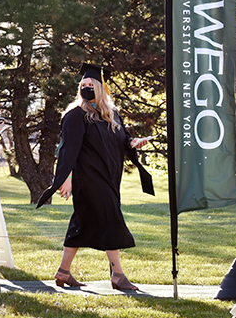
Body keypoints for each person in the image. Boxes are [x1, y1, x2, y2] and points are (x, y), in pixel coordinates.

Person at [37, 63, 154, 291]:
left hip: (109, 177)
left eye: (91, 85)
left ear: (101, 88)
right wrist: (67, 177)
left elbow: (124, 140)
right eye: (83, 85)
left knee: (83, 222)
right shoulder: (75, 115)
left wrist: (133, 143)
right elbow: (67, 149)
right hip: (88, 178)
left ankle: (63, 272)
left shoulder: (111, 114)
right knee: (111, 218)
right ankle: (118, 275)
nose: (86, 88)